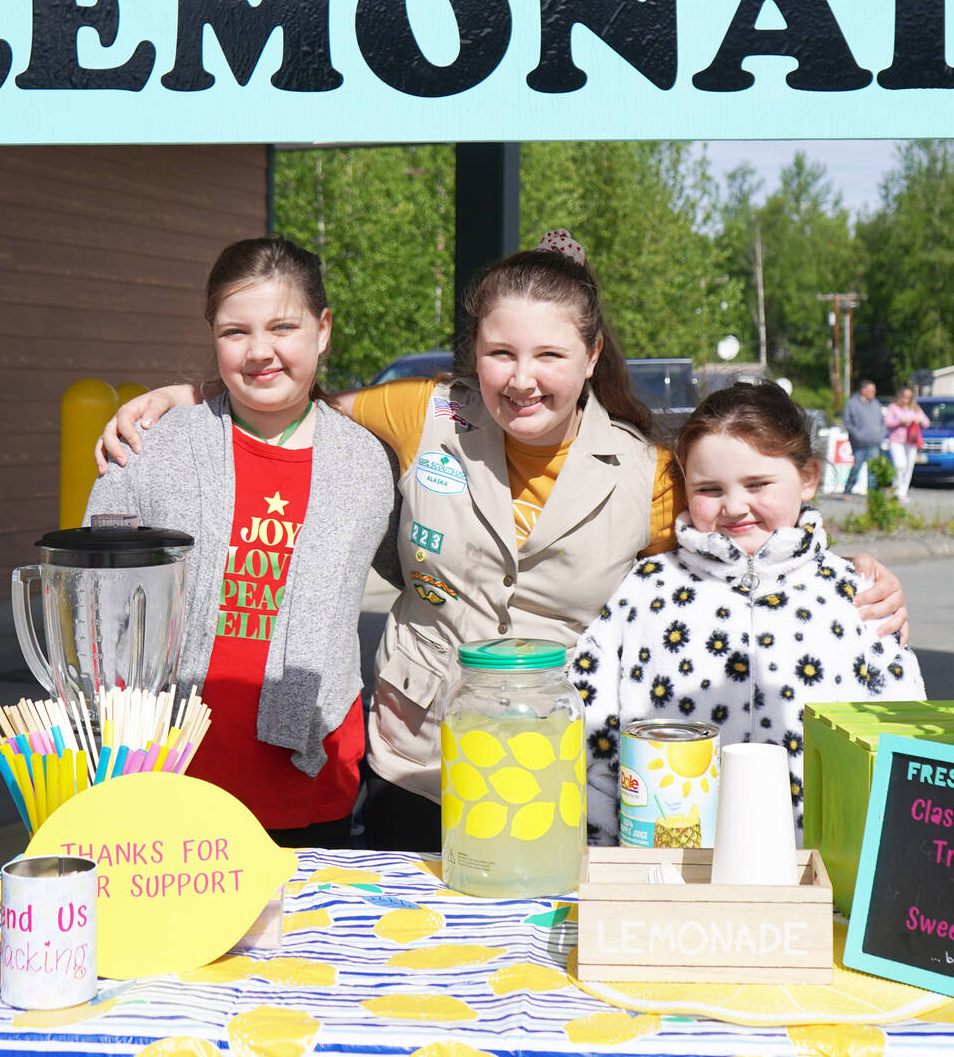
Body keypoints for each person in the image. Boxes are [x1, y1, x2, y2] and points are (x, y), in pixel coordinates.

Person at [97, 231, 911, 851]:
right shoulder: (423, 415)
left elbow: (742, 549)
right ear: (473, 356)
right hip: (413, 765)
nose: (523, 377)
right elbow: (284, 392)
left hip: (559, 780)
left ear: (591, 355)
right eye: (500, 353)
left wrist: (858, 581)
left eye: (550, 353)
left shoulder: (648, 471)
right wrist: (190, 394)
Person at [82, 238, 395, 849]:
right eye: (235, 331)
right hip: (168, 771)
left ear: (323, 329)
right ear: (212, 334)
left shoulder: (366, 463)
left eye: (284, 326)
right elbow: (97, 610)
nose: (260, 352)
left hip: (310, 766)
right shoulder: (149, 449)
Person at [577, 381, 925, 843]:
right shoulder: (643, 591)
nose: (734, 506)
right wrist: (603, 855)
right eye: (709, 488)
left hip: (821, 874)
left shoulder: (857, 595)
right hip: (667, 875)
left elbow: (905, 741)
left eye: (758, 484)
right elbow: (591, 735)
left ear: (808, 478)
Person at [884, 385, 928, 501]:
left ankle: (902, 492)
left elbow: (926, 422)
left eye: (909, 397)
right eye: (904, 397)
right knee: (900, 465)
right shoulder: (893, 407)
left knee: (909, 467)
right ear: (900, 397)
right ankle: (896, 489)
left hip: (911, 441)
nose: (906, 399)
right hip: (897, 441)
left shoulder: (915, 408)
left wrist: (919, 420)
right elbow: (888, 423)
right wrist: (900, 421)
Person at [841, 379, 885, 496]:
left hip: (874, 443)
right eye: (872, 390)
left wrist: (880, 435)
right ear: (863, 391)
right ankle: (848, 491)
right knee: (856, 469)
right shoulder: (852, 403)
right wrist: (857, 435)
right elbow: (847, 422)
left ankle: (872, 496)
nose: (874, 393)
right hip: (859, 444)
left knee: (873, 471)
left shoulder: (876, 404)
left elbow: (882, 422)